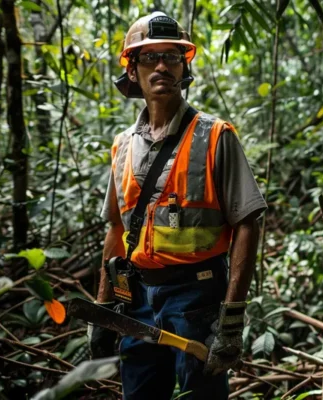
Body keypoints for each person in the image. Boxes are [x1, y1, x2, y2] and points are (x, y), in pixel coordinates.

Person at [87, 11, 267, 400]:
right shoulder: (121, 146)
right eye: (149, 57)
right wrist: (103, 308)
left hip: (197, 297)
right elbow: (116, 230)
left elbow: (248, 223)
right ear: (132, 70)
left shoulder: (216, 136)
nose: (162, 66)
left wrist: (231, 318)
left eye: (172, 56)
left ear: (184, 66)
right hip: (136, 297)